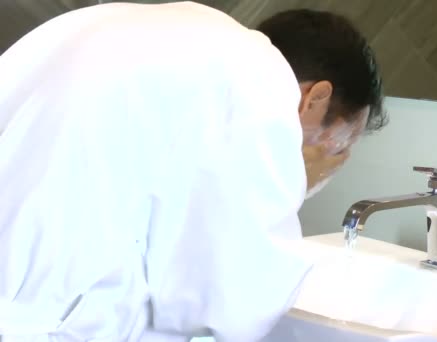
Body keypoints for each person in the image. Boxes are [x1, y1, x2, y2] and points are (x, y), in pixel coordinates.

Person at [0, 2, 386, 342]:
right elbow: (233, 304)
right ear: (315, 99)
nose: (332, 160)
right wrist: (298, 181)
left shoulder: (158, 33)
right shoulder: (258, 83)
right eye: (337, 144)